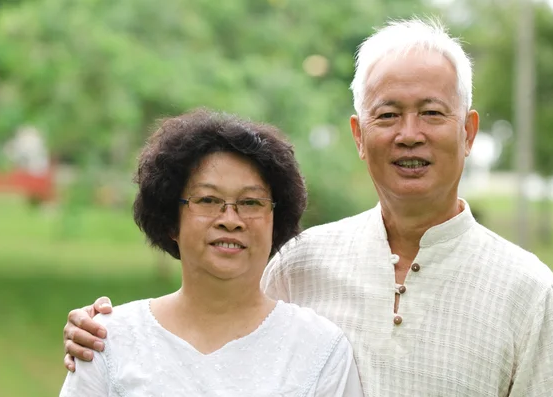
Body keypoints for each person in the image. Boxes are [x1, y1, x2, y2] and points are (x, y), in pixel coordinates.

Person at [62, 19, 553, 397]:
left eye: (431, 113)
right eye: (388, 115)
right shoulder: (299, 262)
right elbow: (218, 323)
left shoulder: (529, 292)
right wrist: (105, 336)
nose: (410, 135)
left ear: (468, 131)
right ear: (361, 136)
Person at [59, 108, 364, 396]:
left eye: (251, 203)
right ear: (171, 221)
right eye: (207, 200)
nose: (230, 220)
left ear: (275, 220)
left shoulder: (320, 349)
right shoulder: (107, 341)